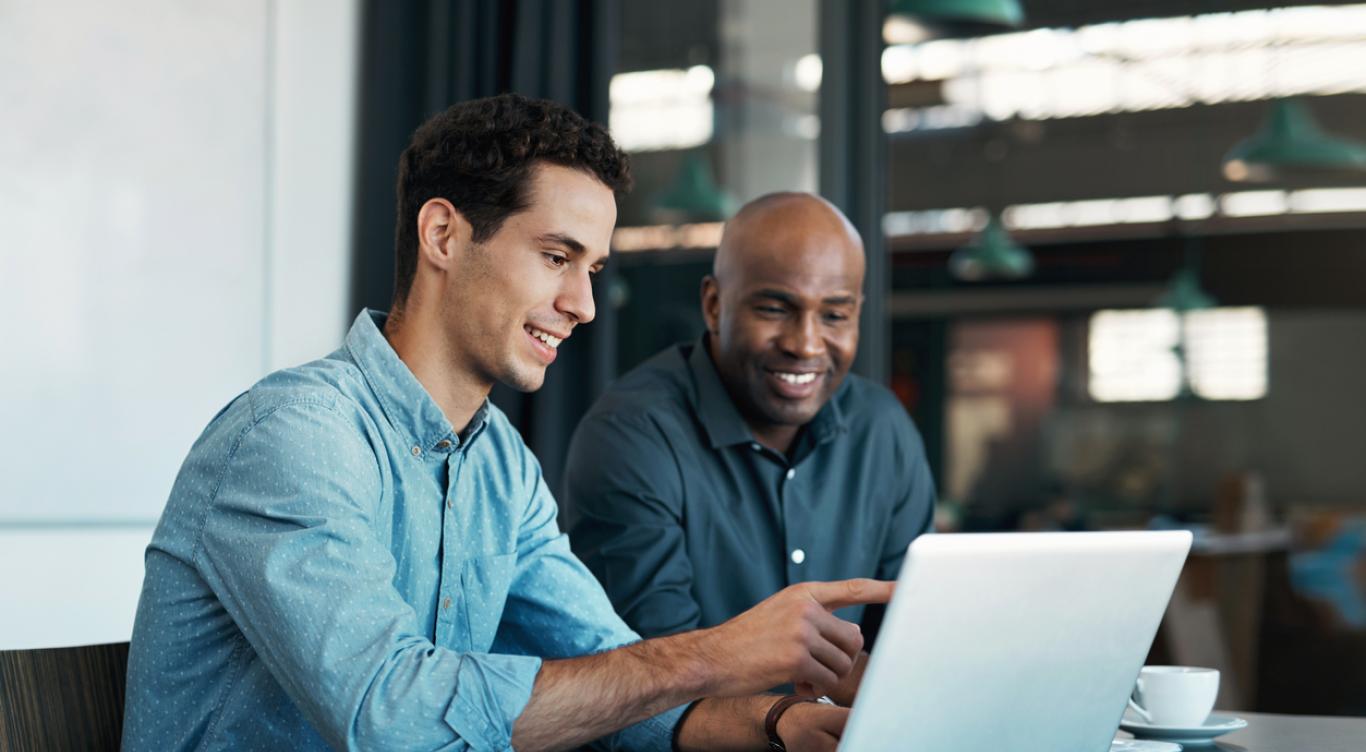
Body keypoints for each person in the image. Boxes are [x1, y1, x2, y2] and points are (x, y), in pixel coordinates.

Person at [122, 95, 889, 752]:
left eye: (592, 270)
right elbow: (390, 715)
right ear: (444, 236)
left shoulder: (501, 467)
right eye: (557, 256)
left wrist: (783, 721)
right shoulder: (295, 436)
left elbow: (613, 678)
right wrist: (716, 655)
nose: (584, 306)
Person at [566, 192, 937, 705]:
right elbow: (655, 682)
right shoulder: (632, 434)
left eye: (835, 315)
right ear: (714, 305)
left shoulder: (882, 429)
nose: (806, 344)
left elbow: (915, 642)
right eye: (775, 308)